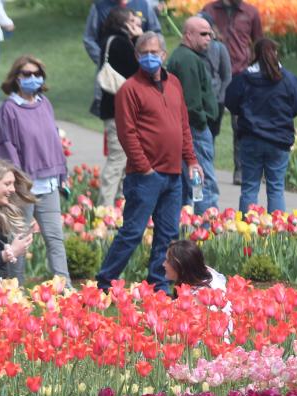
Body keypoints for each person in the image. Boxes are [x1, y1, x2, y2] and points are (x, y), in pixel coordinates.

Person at [96, 31, 201, 294]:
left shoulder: (174, 83)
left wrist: (191, 159)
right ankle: (105, 282)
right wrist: (145, 168)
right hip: (145, 177)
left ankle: (159, 285)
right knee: (132, 232)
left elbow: (183, 125)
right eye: (144, 53)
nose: (150, 58)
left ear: (164, 55)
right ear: (136, 56)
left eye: (155, 53)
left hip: (174, 175)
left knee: (167, 235)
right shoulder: (129, 89)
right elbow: (126, 134)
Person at [0, 55, 70, 285]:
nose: (33, 78)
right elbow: (6, 151)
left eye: (37, 74)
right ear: (16, 77)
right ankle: (15, 288)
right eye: (27, 74)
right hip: (22, 189)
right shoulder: (8, 110)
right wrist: (17, 184)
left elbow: (54, 141)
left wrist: (62, 174)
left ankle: (64, 288)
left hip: (49, 185)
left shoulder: (44, 103)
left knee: (55, 238)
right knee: (20, 241)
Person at [225, 38, 297, 214]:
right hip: (279, 139)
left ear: (255, 55)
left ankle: (247, 229)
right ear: (276, 54)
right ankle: (276, 231)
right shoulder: (288, 80)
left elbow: (230, 102)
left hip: (251, 138)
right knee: (276, 188)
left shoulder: (244, 78)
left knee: (249, 188)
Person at [201, 0, 262, 185]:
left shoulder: (250, 12)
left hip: (240, 74)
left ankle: (241, 169)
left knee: (240, 124)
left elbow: (259, 42)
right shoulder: (209, 10)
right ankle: (206, 167)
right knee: (209, 122)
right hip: (213, 75)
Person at [166, 15, 218, 214]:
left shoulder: (187, 56)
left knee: (189, 180)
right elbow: (192, 102)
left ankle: (188, 220)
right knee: (202, 179)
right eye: (203, 34)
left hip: (189, 128)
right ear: (188, 35)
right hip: (195, 129)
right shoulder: (187, 59)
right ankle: (207, 221)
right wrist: (203, 123)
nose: (209, 38)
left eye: (210, 34)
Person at [96, 7, 141, 208]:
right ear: (123, 22)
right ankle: (105, 208)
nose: (137, 24)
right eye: (133, 20)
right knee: (118, 160)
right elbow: (138, 71)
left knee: (124, 159)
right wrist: (139, 40)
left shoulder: (108, 40)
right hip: (120, 111)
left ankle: (118, 204)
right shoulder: (121, 43)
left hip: (112, 109)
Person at [83, 0, 161, 118]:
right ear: (124, 25)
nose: (137, 23)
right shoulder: (100, 7)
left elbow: (156, 33)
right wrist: (104, 58)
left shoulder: (143, 4)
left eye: (136, 19)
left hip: (131, 96)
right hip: (117, 89)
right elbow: (89, 38)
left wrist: (153, 54)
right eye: (132, 20)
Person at [0, 158, 35, 283]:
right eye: (7, 184)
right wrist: (9, 253)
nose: (13, 189)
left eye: (13, 184)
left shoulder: (0, 214)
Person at [199, 10, 231, 140]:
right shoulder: (190, 50)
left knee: (210, 136)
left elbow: (227, 75)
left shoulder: (219, 48)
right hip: (198, 102)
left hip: (216, 101)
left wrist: (221, 98)